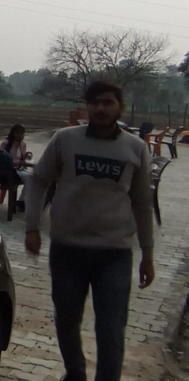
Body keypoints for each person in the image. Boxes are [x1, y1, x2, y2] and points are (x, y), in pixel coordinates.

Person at [24, 79, 155, 381]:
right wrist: (32, 227)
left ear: (120, 108)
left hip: (114, 254)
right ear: (87, 107)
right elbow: (39, 180)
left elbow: (142, 204)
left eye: (107, 102)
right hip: (67, 250)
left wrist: (148, 255)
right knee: (67, 320)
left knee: (111, 327)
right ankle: (75, 373)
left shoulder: (135, 148)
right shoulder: (65, 140)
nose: (100, 108)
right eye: (94, 102)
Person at [0, 124, 33, 210]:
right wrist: (19, 162)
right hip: (8, 171)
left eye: (22, 134)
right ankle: (21, 202)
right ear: (14, 133)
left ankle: (22, 200)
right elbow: (2, 160)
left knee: (34, 177)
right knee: (29, 177)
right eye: (19, 133)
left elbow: (21, 157)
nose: (21, 136)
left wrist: (26, 156)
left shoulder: (23, 144)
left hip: (19, 169)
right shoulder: (6, 144)